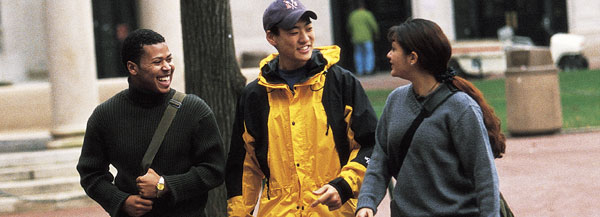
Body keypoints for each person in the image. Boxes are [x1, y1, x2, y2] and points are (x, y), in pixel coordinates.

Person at [225, 0, 378, 216]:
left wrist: (343, 185)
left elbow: (371, 145)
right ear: (272, 37)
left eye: (308, 29)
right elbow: (244, 166)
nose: (305, 38)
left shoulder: (341, 83)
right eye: (294, 32)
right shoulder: (254, 95)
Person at [356, 18, 505, 217]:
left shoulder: (460, 107)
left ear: (413, 57)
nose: (388, 55)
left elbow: (484, 176)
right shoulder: (395, 101)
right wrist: (367, 202)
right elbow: (380, 159)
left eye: (394, 49)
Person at [77, 29, 225, 217]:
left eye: (169, 59)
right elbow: (91, 173)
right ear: (132, 68)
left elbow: (215, 169)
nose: (167, 67)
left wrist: (165, 185)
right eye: (157, 62)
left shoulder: (195, 110)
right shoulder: (105, 115)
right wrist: (121, 201)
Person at [347, 0, 379, 76]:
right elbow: (373, 25)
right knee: (369, 53)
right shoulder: (367, 14)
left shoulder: (353, 15)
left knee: (358, 54)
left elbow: (349, 27)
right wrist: (376, 33)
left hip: (356, 38)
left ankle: (360, 70)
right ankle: (368, 69)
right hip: (367, 37)